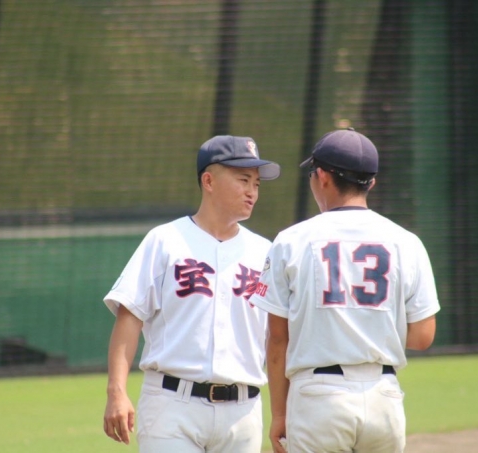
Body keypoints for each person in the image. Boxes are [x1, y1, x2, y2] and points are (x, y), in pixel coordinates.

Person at [250, 127, 440, 453]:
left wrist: (279, 414)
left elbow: (278, 339)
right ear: (371, 183)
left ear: (322, 177)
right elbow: (423, 336)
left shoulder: (291, 240)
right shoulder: (407, 241)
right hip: (383, 396)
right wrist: (370, 327)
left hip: (318, 397)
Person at [102, 135, 280, 452]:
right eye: (243, 180)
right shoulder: (165, 240)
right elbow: (129, 317)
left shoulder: (265, 252)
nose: (252, 191)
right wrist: (116, 391)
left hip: (243, 412)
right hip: (172, 405)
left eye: (256, 183)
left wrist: (283, 410)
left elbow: (279, 337)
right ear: (208, 181)